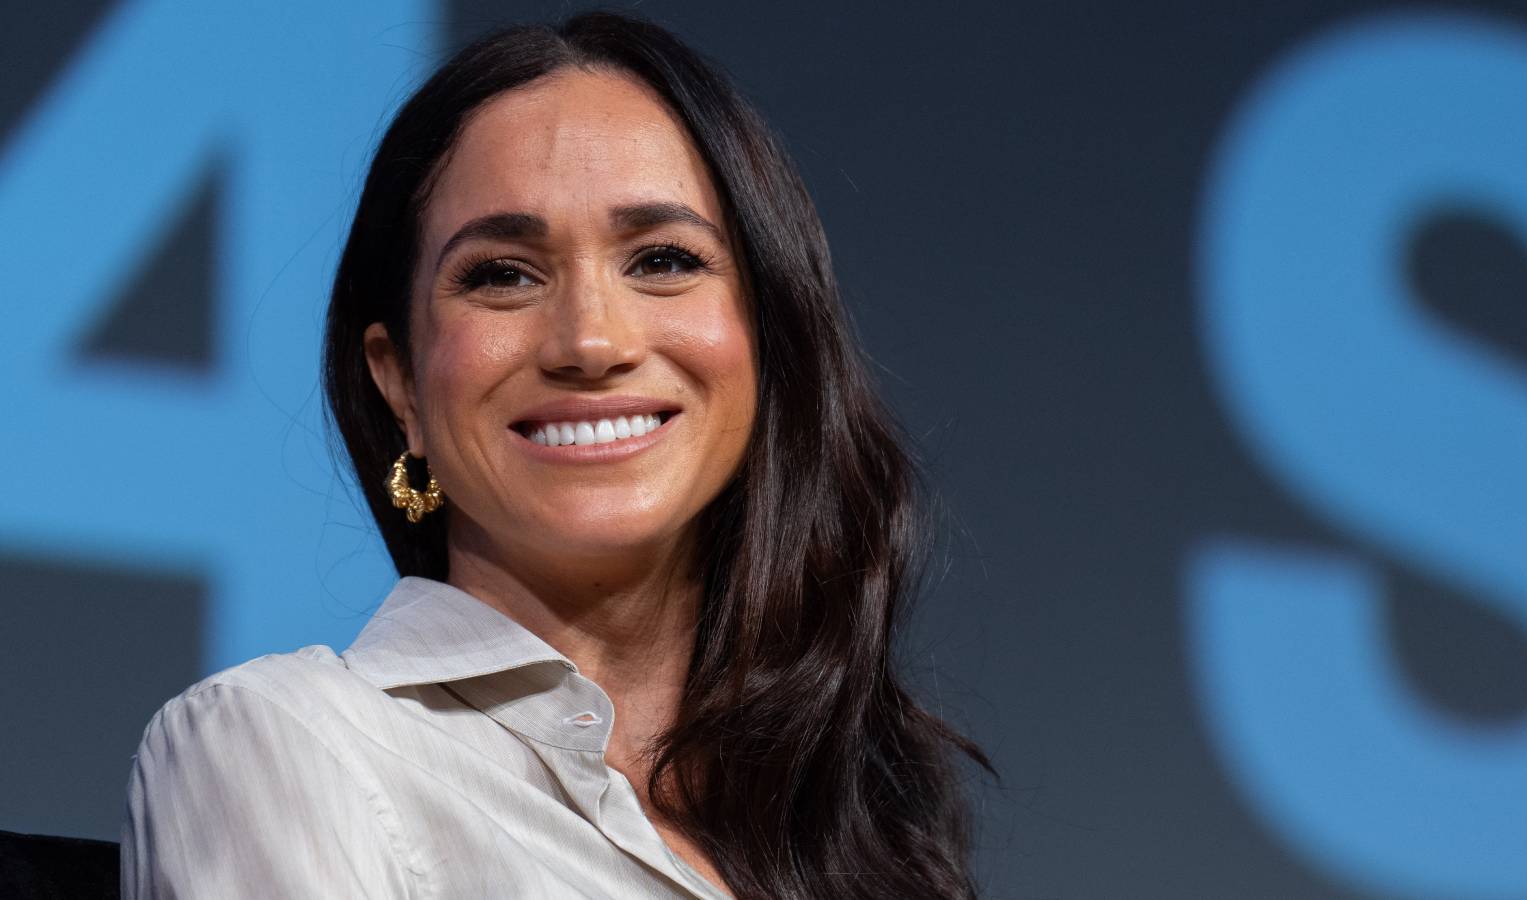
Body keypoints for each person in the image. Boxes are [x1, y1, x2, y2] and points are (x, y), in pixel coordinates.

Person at [121, 11, 989, 899]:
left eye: (661, 259)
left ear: (769, 342)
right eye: (502, 274)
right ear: (401, 387)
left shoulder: (870, 838)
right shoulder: (285, 744)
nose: (590, 340)